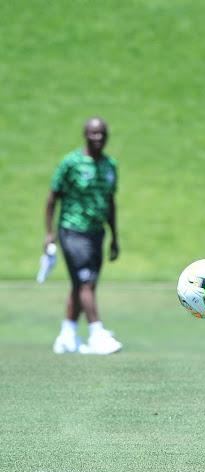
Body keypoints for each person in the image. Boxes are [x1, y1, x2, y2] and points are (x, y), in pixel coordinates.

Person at [44, 117, 122, 355]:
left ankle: (66, 336)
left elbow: (110, 202)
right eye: (93, 133)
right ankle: (97, 333)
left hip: (96, 232)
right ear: (85, 135)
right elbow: (52, 197)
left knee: (83, 284)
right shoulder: (72, 162)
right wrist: (49, 233)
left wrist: (114, 236)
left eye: (102, 134)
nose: (98, 138)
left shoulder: (110, 165)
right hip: (72, 229)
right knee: (86, 281)